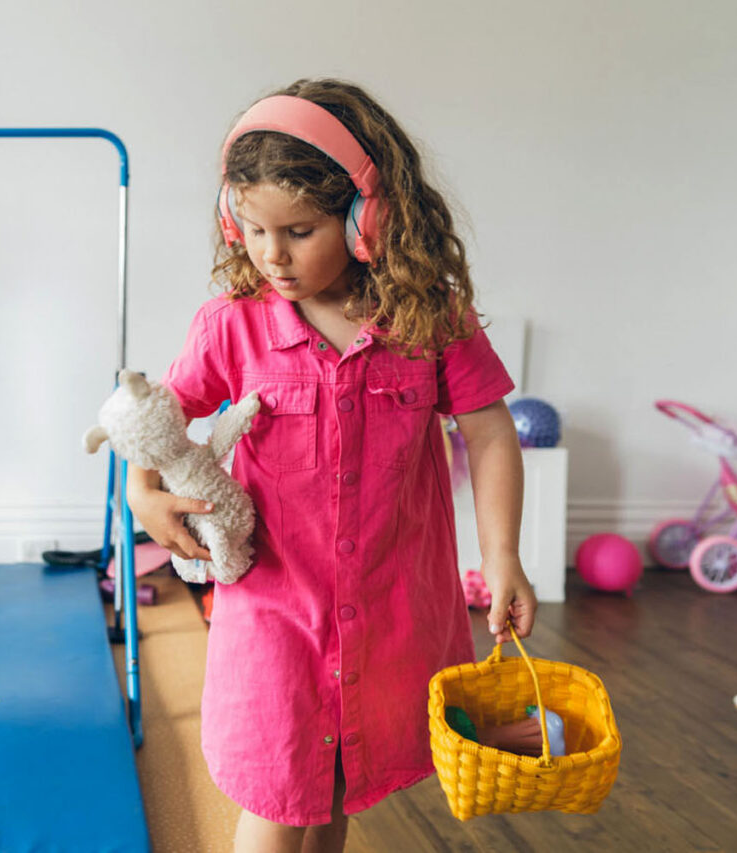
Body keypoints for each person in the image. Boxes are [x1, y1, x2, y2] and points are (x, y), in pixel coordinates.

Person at [126, 79, 538, 853]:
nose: (271, 254)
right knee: (282, 792)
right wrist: (144, 494)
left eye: (299, 230)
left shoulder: (431, 315)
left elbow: (487, 431)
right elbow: (154, 425)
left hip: (390, 604)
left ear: (366, 220)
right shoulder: (230, 325)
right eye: (250, 229)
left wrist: (503, 555)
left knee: (338, 781)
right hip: (278, 612)